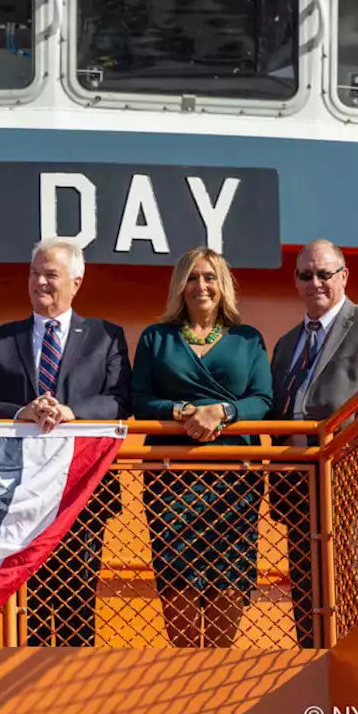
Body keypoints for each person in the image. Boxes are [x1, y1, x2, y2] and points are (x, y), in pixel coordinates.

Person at [0, 237, 131, 646]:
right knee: (25, 609)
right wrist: (21, 412)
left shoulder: (106, 336)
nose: (40, 282)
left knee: (77, 608)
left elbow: (120, 400)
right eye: (34, 273)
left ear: (77, 280)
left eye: (51, 274)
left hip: (80, 493)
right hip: (16, 497)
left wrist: (74, 412)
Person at [131, 246, 273, 648]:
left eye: (209, 277)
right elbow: (139, 399)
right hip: (171, 477)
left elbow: (262, 400)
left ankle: (217, 663)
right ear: (179, 286)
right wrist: (181, 411)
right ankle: (185, 661)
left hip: (234, 477)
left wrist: (222, 412)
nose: (201, 286)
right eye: (192, 277)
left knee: (228, 570)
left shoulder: (247, 339)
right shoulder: (156, 338)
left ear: (223, 285)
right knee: (178, 571)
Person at [269, 239, 358, 648]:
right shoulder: (286, 344)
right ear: (295, 281)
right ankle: (315, 668)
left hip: (353, 483)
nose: (315, 283)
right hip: (299, 491)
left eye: (324, 274)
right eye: (305, 275)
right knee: (310, 599)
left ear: (344, 276)